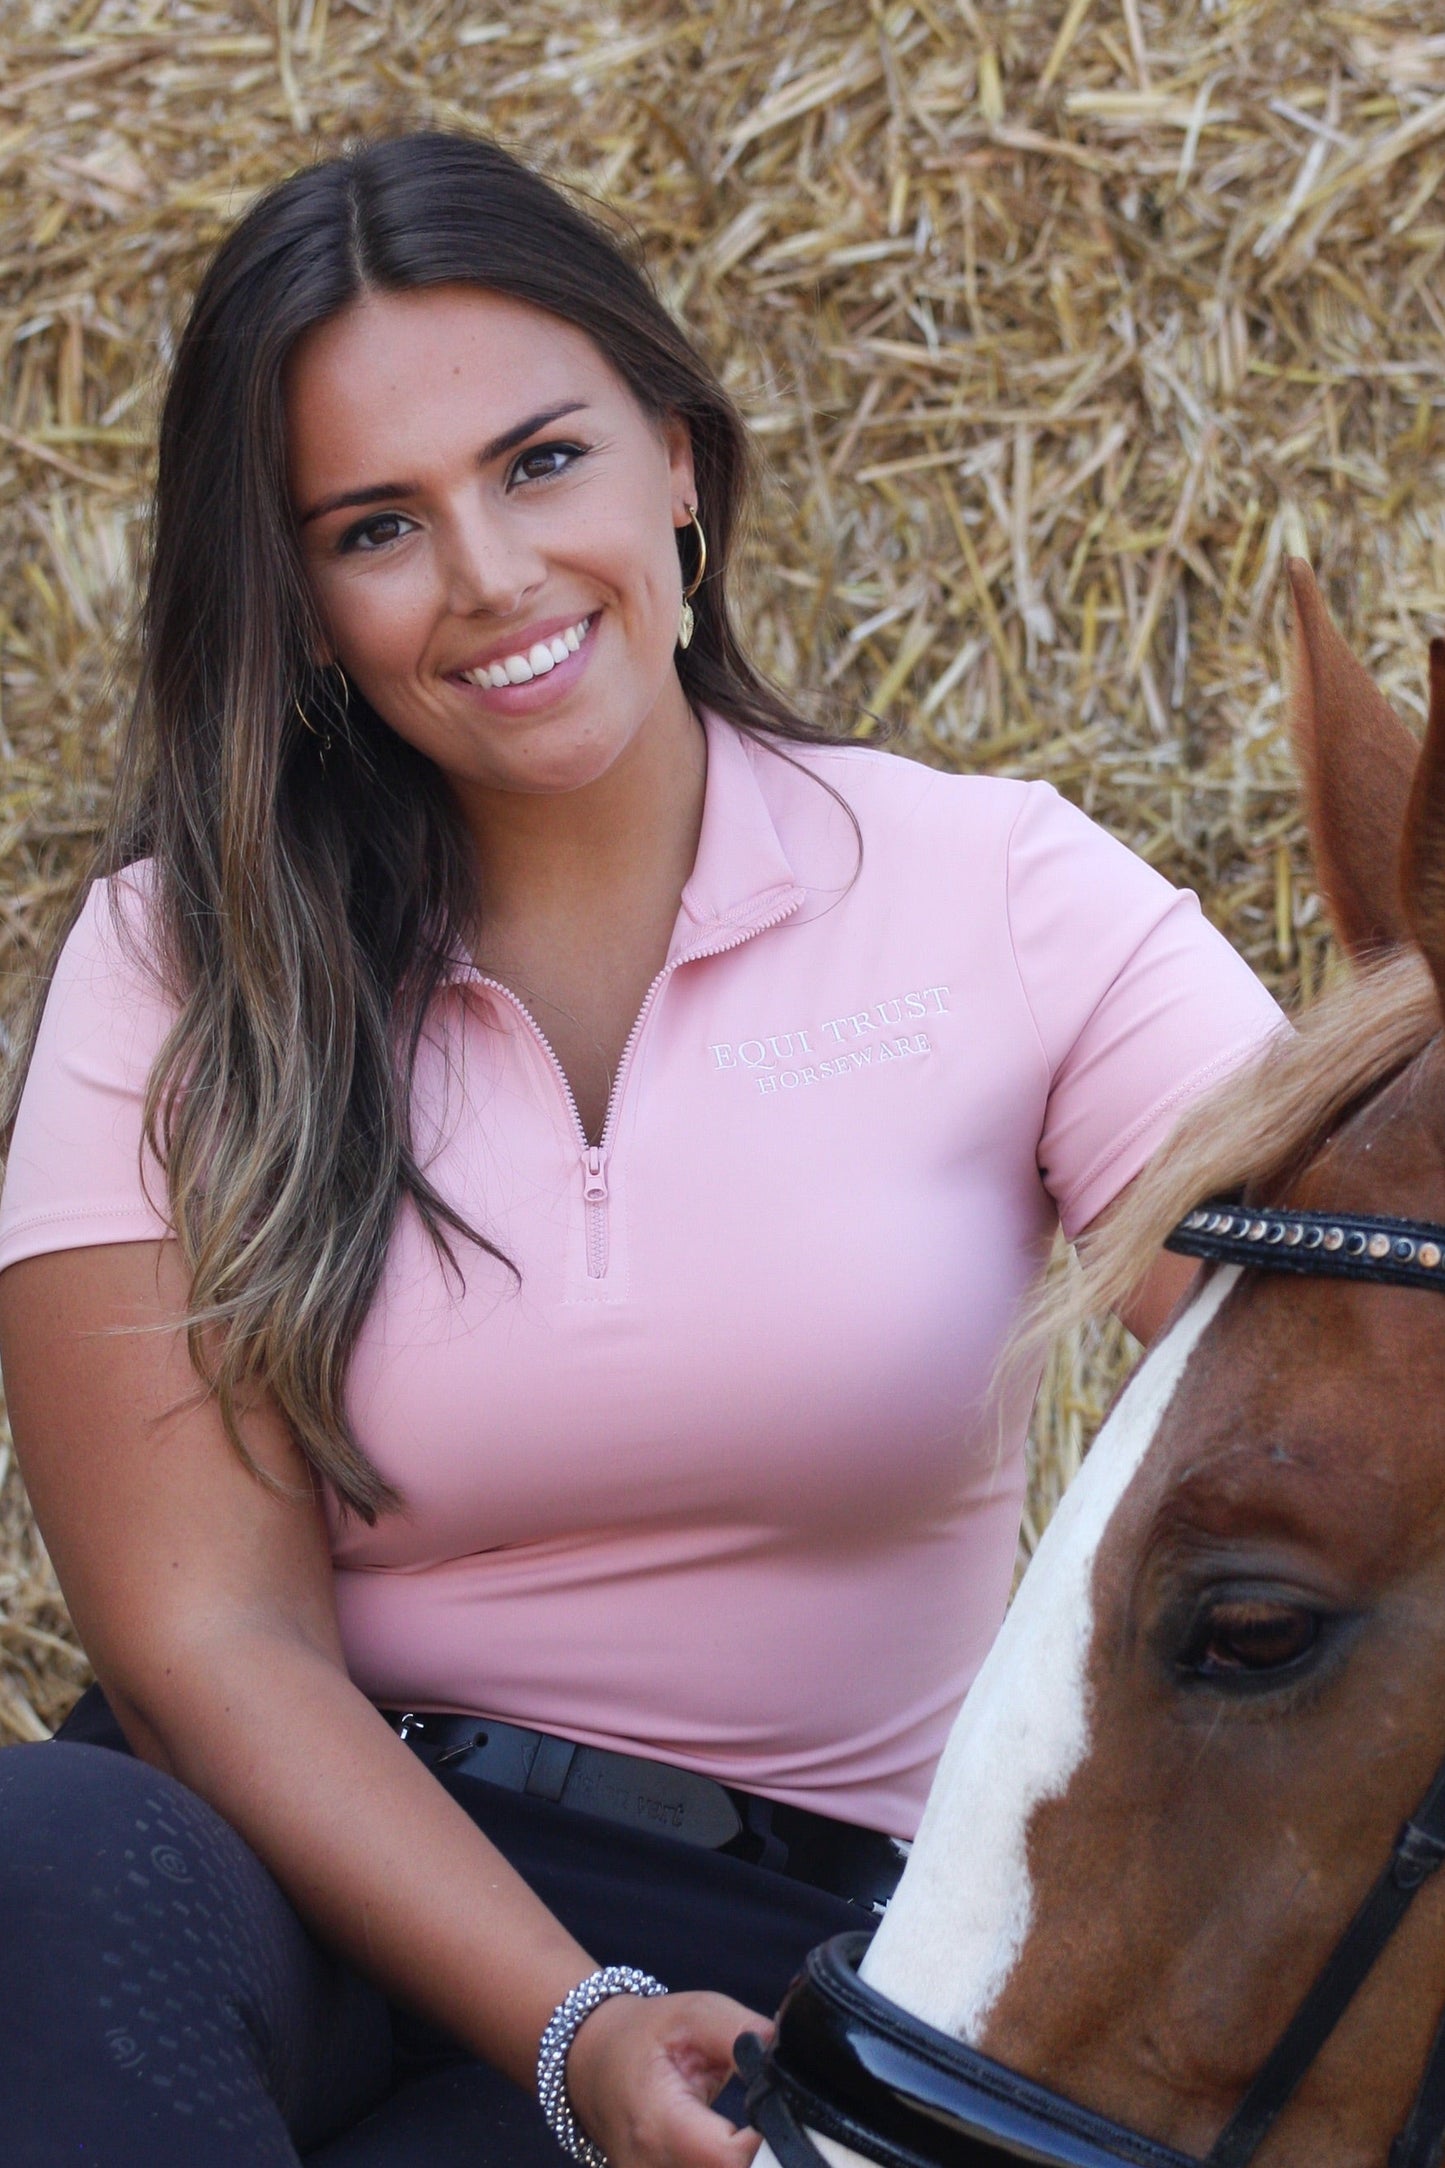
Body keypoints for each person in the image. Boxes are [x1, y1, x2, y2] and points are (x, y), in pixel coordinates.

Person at [0, 131, 1283, 2168]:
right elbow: (198, 1641)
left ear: (678, 459)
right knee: (35, 1854)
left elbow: (1334, 1371)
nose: (493, 576)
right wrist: (563, 2024)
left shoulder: (1005, 896)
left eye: (539, 462)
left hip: (812, 1938)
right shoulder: (179, 962)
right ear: (306, 604)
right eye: (374, 526)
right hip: (309, 1882)